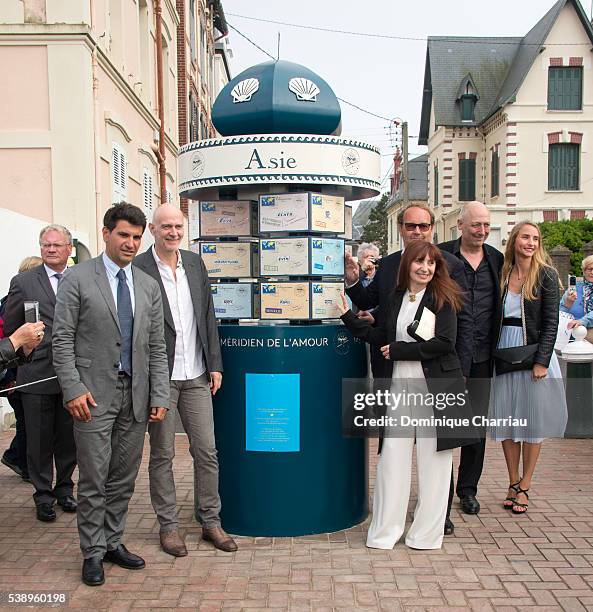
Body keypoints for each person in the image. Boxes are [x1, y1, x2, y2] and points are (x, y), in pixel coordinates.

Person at [52, 203, 170, 587]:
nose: (131, 243)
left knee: (122, 477)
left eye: (137, 237)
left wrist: (160, 394)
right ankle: (91, 551)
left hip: (135, 395)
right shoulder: (79, 278)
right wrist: (73, 388)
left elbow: (156, 346)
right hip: (92, 396)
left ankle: (112, 542)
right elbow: (62, 339)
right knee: (93, 478)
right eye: (124, 235)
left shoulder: (147, 285)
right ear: (106, 234)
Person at [339, 241, 476, 549]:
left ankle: (426, 536)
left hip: (436, 388)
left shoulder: (444, 297)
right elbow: (379, 337)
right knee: (391, 461)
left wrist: (402, 350)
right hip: (399, 387)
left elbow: (445, 342)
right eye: (419, 262)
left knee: (435, 465)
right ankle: (386, 532)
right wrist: (348, 317)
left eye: (431, 263)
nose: (425, 268)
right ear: (408, 265)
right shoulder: (395, 298)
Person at [134, 204, 236, 557]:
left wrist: (215, 364)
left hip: (196, 375)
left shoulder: (194, 263)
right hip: (159, 380)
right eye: (166, 227)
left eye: (178, 226)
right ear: (153, 229)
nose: (173, 232)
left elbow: (207, 316)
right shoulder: (138, 268)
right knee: (162, 454)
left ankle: (210, 521)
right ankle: (169, 526)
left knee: (206, 451)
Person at [488, 221, 567, 514]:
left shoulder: (546, 274)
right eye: (525, 237)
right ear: (514, 240)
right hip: (504, 351)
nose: (530, 242)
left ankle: (526, 485)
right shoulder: (502, 273)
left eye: (535, 238)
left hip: (533, 353)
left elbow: (551, 323)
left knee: (531, 421)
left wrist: (541, 361)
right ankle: (512, 480)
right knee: (508, 421)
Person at [3, 228, 77, 522]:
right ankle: (43, 495)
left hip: (72, 374)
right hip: (35, 374)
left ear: (69, 248)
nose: (50, 249)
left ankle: (65, 490)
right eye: (46, 245)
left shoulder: (81, 278)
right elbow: (12, 328)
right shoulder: (23, 282)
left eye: (57, 245)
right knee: (38, 440)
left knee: (69, 438)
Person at [439, 202, 503, 516]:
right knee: (447, 428)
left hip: (483, 356)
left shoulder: (497, 259)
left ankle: (467, 491)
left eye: (486, 225)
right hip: (448, 356)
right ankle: (441, 493)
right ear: (460, 225)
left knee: (476, 429)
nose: (481, 231)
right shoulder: (441, 255)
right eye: (475, 225)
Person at [1, 256, 43, 483]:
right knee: (28, 426)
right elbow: (8, 342)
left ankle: (16, 457)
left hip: (23, 374)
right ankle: (21, 462)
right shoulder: (15, 304)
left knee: (27, 425)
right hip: (17, 377)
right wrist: (10, 377)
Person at [560, 255, 593, 330]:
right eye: (589, 269)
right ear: (584, 271)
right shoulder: (574, 289)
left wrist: (582, 321)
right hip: (574, 334)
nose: (592, 272)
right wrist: (567, 305)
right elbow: (560, 316)